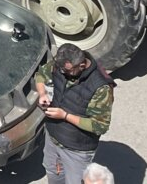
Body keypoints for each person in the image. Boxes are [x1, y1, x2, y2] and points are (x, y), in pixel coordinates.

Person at [36, 44, 113, 184]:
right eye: (60, 68)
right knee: (53, 173)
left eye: (67, 70)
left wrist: (64, 116)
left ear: (82, 65)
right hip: (52, 138)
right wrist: (42, 94)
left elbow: (100, 126)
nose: (62, 72)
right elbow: (41, 75)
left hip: (76, 150)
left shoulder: (100, 87)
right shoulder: (62, 63)